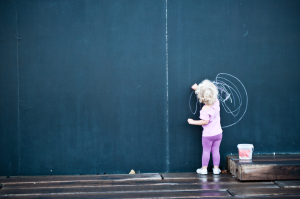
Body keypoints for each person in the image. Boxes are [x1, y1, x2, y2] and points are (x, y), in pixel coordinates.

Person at [187, 80, 222, 174]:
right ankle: (216, 169)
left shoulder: (204, 110)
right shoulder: (216, 102)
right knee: (216, 150)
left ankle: (204, 169)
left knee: (206, 151)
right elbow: (208, 93)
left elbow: (205, 121)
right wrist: (198, 88)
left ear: (201, 98)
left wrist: (193, 122)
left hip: (208, 135)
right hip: (218, 133)